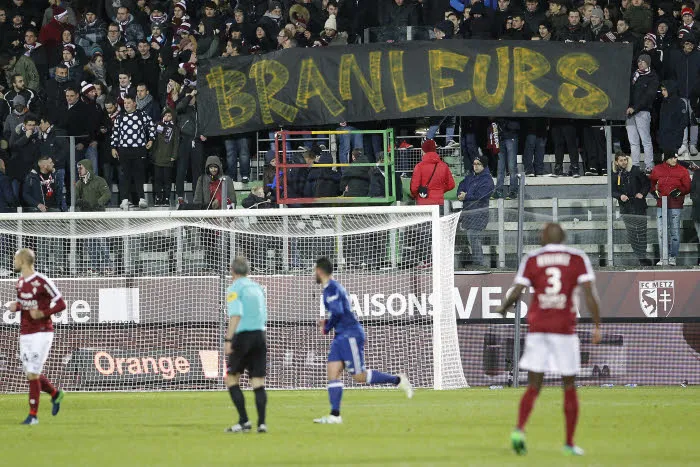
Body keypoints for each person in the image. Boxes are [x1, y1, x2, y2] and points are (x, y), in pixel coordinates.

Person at [495, 223, 602, 457]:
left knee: (534, 385)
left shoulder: (532, 259)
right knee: (569, 386)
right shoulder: (577, 258)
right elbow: (589, 293)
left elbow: (517, 291)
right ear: (563, 237)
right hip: (564, 330)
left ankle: (519, 429)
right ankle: (569, 443)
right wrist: (597, 325)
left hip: (539, 329)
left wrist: (503, 308)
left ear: (544, 238)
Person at [313, 256, 413, 424]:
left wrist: (327, 326)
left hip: (350, 334)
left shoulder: (332, 288)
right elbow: (338, 312)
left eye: (314, 270)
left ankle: (398, 380)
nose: (313, 274)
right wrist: (328, 324)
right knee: (332, 373)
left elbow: (337, 312)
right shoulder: (329, 289)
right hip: (340, 335)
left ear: (319, 271)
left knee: (359, 376)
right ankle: (335, 415)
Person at [6, 248, 67, 425]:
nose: (14, 262)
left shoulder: (42, 281)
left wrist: (43, 313)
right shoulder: (19, 282)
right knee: (31, 373)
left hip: (42, 331)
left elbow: (61, 303)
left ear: (23, 261)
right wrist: (16, 306)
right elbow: (24, 304)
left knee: (33, 373)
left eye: (15, 259)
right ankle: (55, 394)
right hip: (25, 332)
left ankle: (33, 416)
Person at [223, 256, 269, 434]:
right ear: (248, 271)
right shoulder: (257, 287)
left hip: (243, 336)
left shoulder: (234, 288)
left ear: (232, 271)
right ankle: (262, 424)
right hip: (260, 335)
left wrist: (228, 339)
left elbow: (236, 314)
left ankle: (244, 421)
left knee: (232, 378)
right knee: (257, 382)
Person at [110, 94, 155, 210]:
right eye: (125, 103)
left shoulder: (141, 115)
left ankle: (141, 199)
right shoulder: (120, 117)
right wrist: (113, 147)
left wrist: (151, 139)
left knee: (139, 175)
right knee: (125, 176)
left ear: (134, 103)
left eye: (129, 103)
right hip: (124, 150)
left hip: (138, 149)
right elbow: (115, 133)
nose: (126, 105)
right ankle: (124, 200)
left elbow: (152, 126)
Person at [649, 152, 691, 266]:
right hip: (661, 205)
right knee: (661, 232)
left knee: (675, 232)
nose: (675, 160)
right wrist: (654, 192)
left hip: (675, 205)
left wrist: (680, 191)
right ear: (666, 159)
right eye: (672, 158)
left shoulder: (682, 170)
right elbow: (651, 183)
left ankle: (673, 257)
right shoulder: (657, 169)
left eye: (676, 158)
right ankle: (663, 257)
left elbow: (688, 186)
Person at [611, 152, 651, 266]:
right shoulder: (614, 174)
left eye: (625, 160)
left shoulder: (635, 170)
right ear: (616, 162)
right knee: (632, 234)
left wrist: (642, 193)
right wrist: (620, 196)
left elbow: (646, 184)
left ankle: (642, 256)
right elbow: (612, 190)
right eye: (621, 160)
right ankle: (640, 256)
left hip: (638, 205)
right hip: (626, 207)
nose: (624, 162)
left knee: (641, 232)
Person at [75, 158, 113, 275]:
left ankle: (108, 265)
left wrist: (98, 203)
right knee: (90, 245)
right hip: (86, 219)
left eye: (81, 168)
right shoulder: (79, 183)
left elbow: (107, 194)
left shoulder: (99, 181)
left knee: (102, 242)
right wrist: (79, 202)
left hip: (98, 217)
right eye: (78, 168)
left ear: (87, 168)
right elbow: (75, 197)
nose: (79, 170)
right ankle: (95, 266)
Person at [457, 156, 494, 267]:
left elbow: (481, 195)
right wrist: (460, 194)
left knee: (473, 236)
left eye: (478, 164)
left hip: (479, 213)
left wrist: (466, 196)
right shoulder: (470, 177)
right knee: (471, 236)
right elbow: (461, 185)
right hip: (468, 213)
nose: (476, 166)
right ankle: (478, 262)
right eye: (474, 164)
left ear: (484, 165)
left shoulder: (487, 180)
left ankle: (479, 263)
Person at [626, 54, 659, 173]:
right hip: (629, 112)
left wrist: (635, 108)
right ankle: (635, 165)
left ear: (648, 63)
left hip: (643, 112)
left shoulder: (652, 76)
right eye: (639, 61)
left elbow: (648, 96)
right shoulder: (633, 75)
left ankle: (649, 165)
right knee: (633, 141)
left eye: (643, 61)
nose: (640, 63)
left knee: (645, 140)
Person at [409, 139, 455, 209]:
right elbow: (451, 185)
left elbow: (414, 188)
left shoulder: (419, 166)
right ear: (435, 150)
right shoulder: (444, 166)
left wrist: (417, 195)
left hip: (423, 202)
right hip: (439, 203)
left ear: (423, 151)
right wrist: (439, 191)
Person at [151, 107, 179, 207]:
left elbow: (176, 143)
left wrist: (174, 155)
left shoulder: (174, 128)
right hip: (158, 157)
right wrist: (153, 154)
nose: (167, 117)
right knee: (157, 179)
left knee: (167, 179)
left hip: (168, 157)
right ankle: (158, 198)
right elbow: (154, 140)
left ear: (172, 117)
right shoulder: (158, 125)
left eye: (169, 115)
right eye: (165, 115)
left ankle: (166, 198)